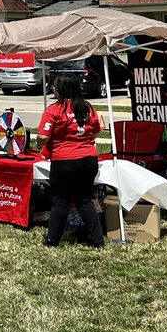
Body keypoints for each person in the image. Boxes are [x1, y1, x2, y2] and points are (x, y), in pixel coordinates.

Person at [39, 73, 105, 248]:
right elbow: (97, 132)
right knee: (84, 199)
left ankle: (52, 240)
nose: (53, 89)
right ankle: (97, 241)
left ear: (62, 89)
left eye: (55, 86)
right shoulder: (88, 108)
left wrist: (40, 143)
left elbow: (42, 137)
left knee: (61, 201)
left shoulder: (54, 110)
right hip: (89, 159)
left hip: (64, 161)